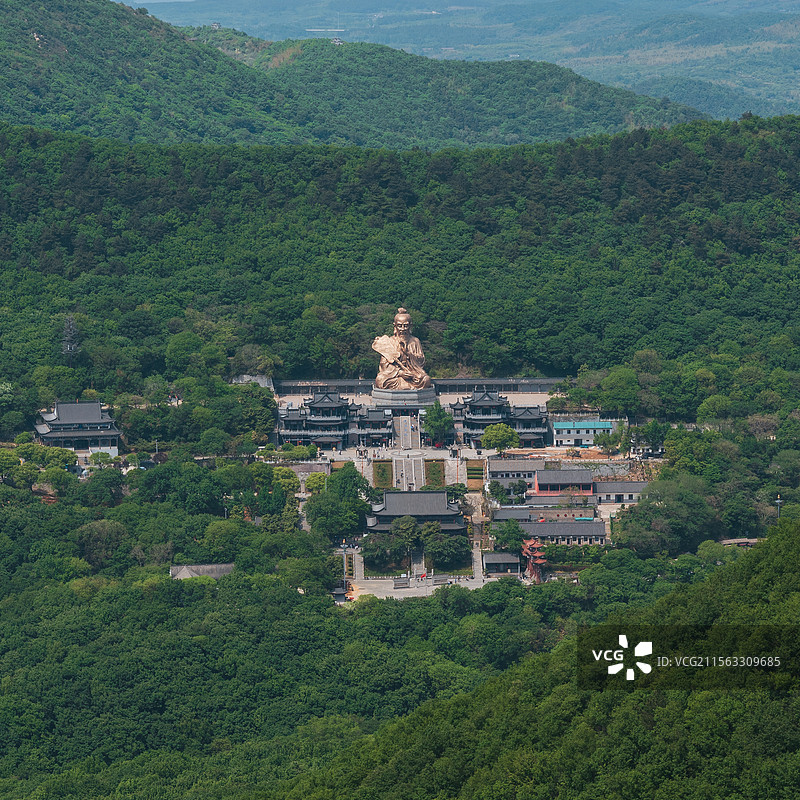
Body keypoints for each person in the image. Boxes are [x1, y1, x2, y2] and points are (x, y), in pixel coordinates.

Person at [373, 308, 432, 390]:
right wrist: (400, 373)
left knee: (426, 380)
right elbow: (384, 365)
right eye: (400, 326)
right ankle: (407, 386)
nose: (403, 329)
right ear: (395, 326)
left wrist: (408, 353)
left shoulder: (415, 341)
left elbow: (421, 361)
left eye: (406, 326)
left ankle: (406, 385)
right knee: (380, 379)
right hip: (395, 375)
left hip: (412, 372)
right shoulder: (390, 341)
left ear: (410, 326)